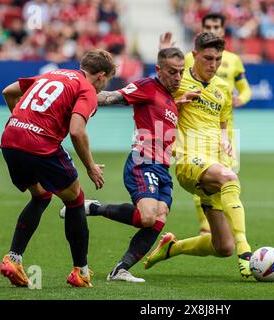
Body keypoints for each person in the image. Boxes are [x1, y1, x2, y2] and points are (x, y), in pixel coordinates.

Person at [59, 47, 199, 282]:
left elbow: (160, 108)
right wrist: (80, 94)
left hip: (163, 168)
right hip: (143, 161)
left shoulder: (169, 99)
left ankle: (120, 269)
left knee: (160, 217)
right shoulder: (147, 87)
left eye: (181, 72)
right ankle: (94, 208)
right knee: (147, 217)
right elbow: (111, 97)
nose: (177, 77)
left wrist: (179, 101)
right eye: (172, 72)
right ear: (158, 70)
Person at [0, 49, 116, 288]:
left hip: (10, 138)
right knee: (75, 198)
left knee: (41, 195)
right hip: (40, 144)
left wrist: (22, 121)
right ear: (102, 75)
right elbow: (76, 130)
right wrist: (91, 167)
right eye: (108, 80)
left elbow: (8, 91)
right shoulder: (87, 89)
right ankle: (80, 272)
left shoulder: (52, 74)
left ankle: (13, 259)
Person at [145, 32, 252, 278]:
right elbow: (153, 98)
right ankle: (245, 249)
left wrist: (225, 138)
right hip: (187, 159)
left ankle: (172, 247)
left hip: (215, 161)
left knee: (222, 246)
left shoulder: (223, 88)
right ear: (194, 56)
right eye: (208, 58)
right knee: (229, 179)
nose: (213, 65)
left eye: (218, 59)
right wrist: (178, 99)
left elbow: (222, 123)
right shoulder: (177, 81)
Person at [159, 13, 251, 238]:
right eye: (207, 26)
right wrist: (162, 53)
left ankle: (222, 236)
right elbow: (166, 80)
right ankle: (207, 229)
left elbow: (245, 89)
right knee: (206, 173)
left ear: (222, 29)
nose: (213, 64)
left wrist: (243, 98)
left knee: (224, 183)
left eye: (215, 26)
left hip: (222, 127)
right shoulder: (191, 62)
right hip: (195, 129)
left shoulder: (233, 60)